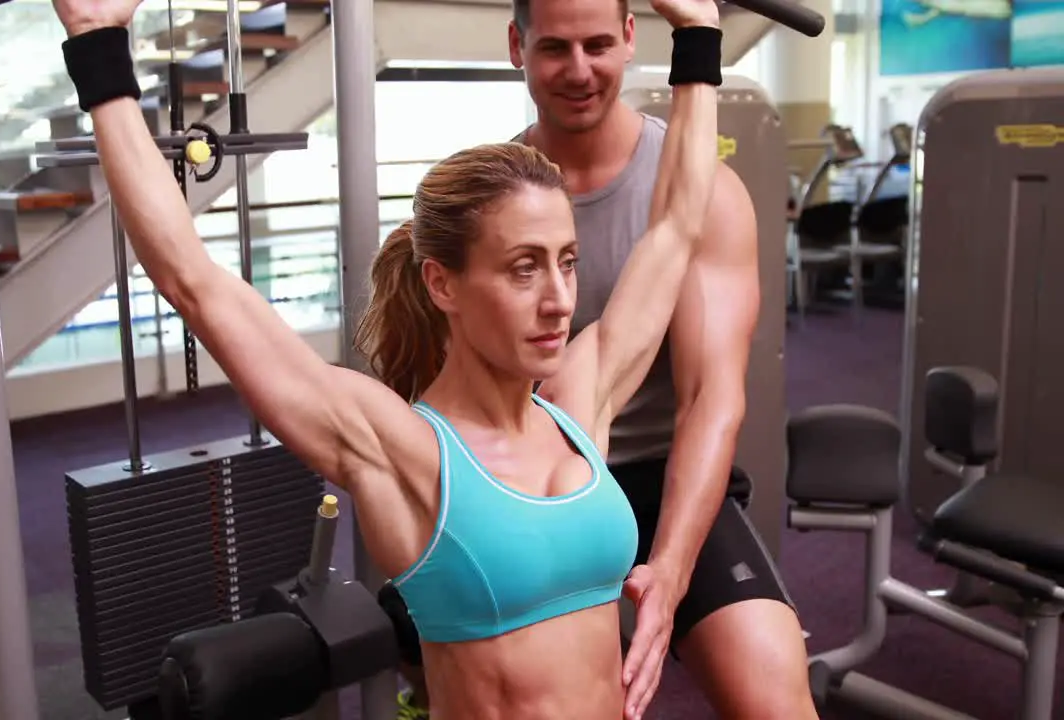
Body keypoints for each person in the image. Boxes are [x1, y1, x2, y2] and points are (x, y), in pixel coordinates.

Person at [50, 0, 719, 715]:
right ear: (443, 283)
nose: (559, 300)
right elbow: (195, 281)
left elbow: (677, 225)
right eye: (524, 268)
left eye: (567, 263)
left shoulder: (578, 409)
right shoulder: (403, 450)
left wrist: (699, 38)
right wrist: (100, 47)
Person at [394, 1, 819, 718]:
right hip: (526, 482)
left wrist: (672, 572)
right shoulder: (492, 198)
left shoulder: (701, 192)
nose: (580, 70)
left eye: (598, 44)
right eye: (555, 48)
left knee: (775, 699)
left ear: (629, 39)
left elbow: (710, 397)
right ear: (516, 47)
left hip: (661, 479)